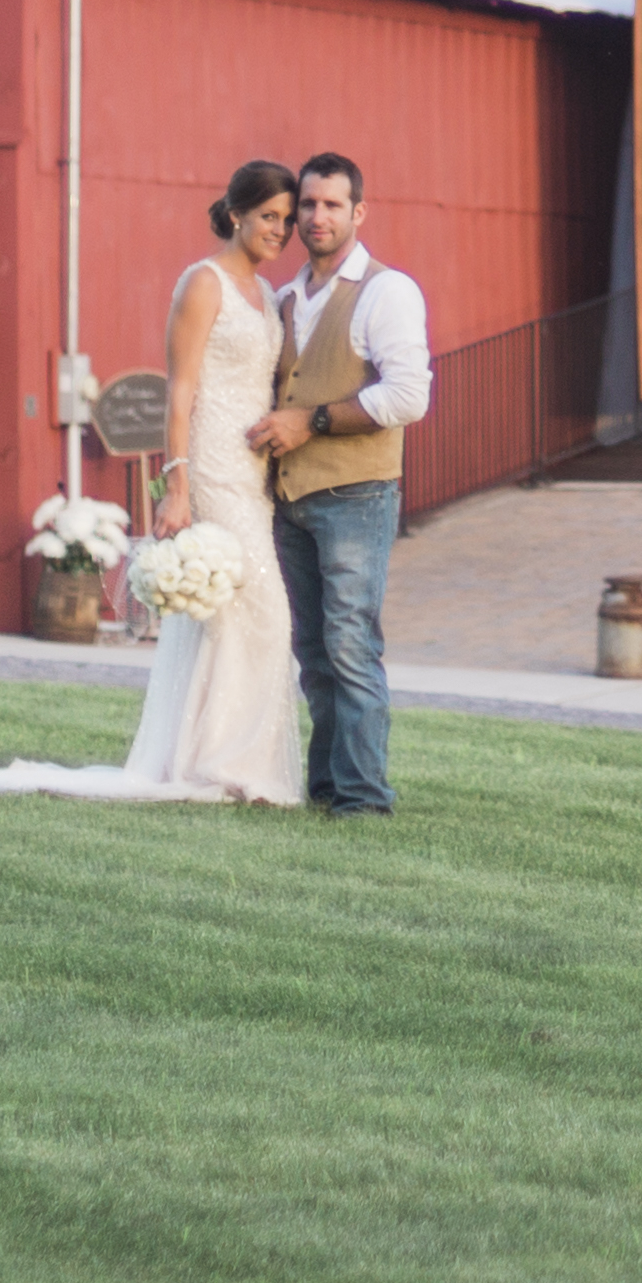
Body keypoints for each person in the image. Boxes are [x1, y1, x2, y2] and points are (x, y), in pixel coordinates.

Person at [0, 163, 311, 807]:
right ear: (236, 213)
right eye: (270, 217)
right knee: (264, 611)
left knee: (235, 617)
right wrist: (176, 486)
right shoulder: (203, 284)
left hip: (254, 474)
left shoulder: (267, 295)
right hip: (209, 465)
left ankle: (221, 762)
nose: (281, 231)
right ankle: (222, 763)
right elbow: (179, 389)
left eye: (287, 221)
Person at [243, 150, 427, 815]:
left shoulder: (387, 291)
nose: (316, 217)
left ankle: (364, 796)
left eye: (331, 205)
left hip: (355, 496)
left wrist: (312, 422)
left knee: (351, 646)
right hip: (288, 500)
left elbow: (408, 397)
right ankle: (326, 786)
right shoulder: (287, 298)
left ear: (358, 212)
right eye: (308, 206)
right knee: (313, 654)